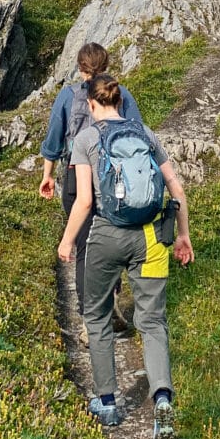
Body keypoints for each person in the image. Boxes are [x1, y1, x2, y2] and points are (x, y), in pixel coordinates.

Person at [57, 74, 194, 439]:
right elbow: (177, 190)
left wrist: (67, 241)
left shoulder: (86, 140)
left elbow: (85, 202)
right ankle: (162, 401)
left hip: (106, 237)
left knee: (98, 317)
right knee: (152, 322)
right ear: (120, 102)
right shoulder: (146, 134)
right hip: (150, 239)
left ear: (90, 103)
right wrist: (183, 235)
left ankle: (108, 403)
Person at [40, 42, 142, 316]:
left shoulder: (67, 96)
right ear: (106, 65)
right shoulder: (122, 95)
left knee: (85, 247)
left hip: (76, 174)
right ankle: (112, 303)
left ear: (79, 66)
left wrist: (48, 175)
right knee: (112, 238)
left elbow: (53, 140)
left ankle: (91, 318)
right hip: (115, 177)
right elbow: (137, 135)